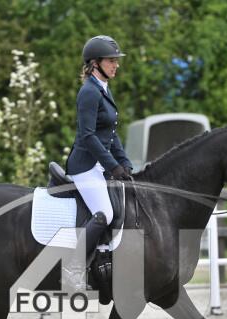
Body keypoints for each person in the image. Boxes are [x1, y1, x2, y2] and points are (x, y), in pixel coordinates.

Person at [63, 35, 133, 289]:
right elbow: (88, 135)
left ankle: (103, 261)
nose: (116, 65)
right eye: (111, 61)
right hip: (84, 166)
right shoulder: (89, 92)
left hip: (99, 165)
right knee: (105, 213)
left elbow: (110, 134)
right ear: (95, 64)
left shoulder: (103, 89)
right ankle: (72, 267)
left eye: (116, 60)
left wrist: (124, 163)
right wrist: (113, 166)